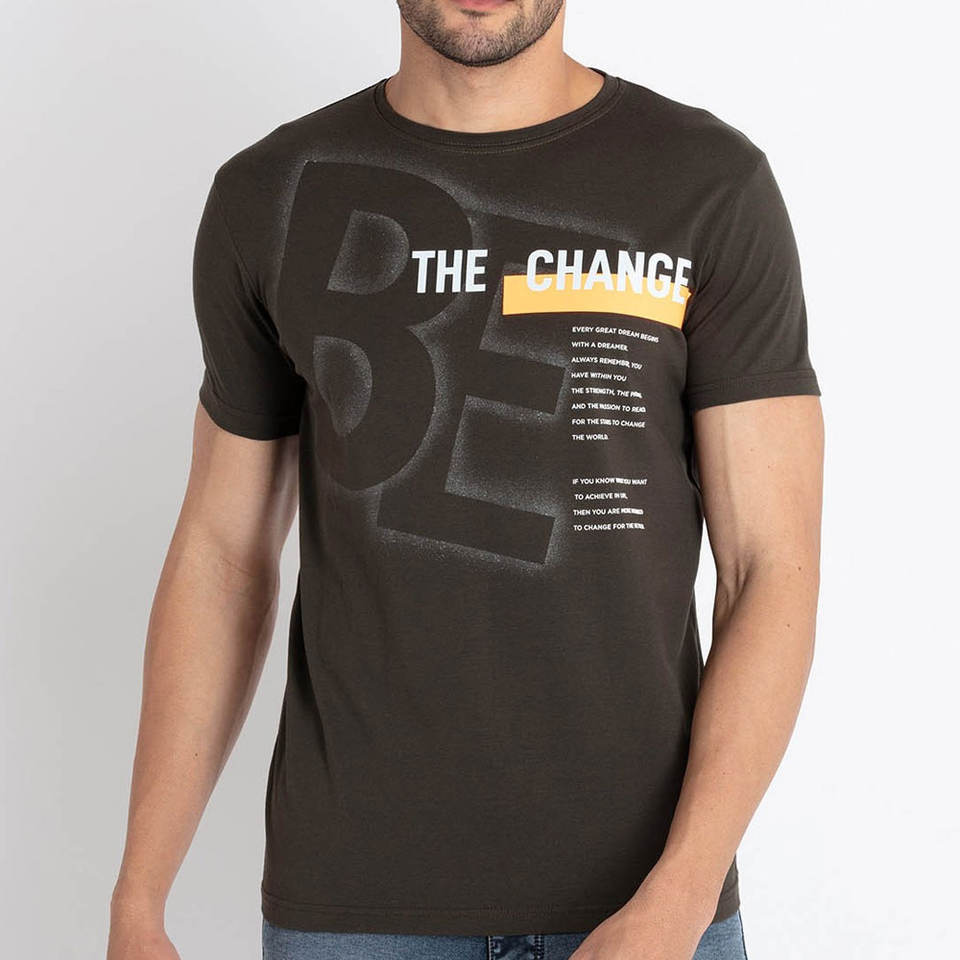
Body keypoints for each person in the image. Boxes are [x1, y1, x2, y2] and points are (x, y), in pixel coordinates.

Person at [107, 2, 824, 958]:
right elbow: (223, 555)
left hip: (646, 903)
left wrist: (680, 897)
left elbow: (770, 569)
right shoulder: (270, 193)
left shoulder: (707, 184)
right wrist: (139, 899)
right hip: (353, 907)